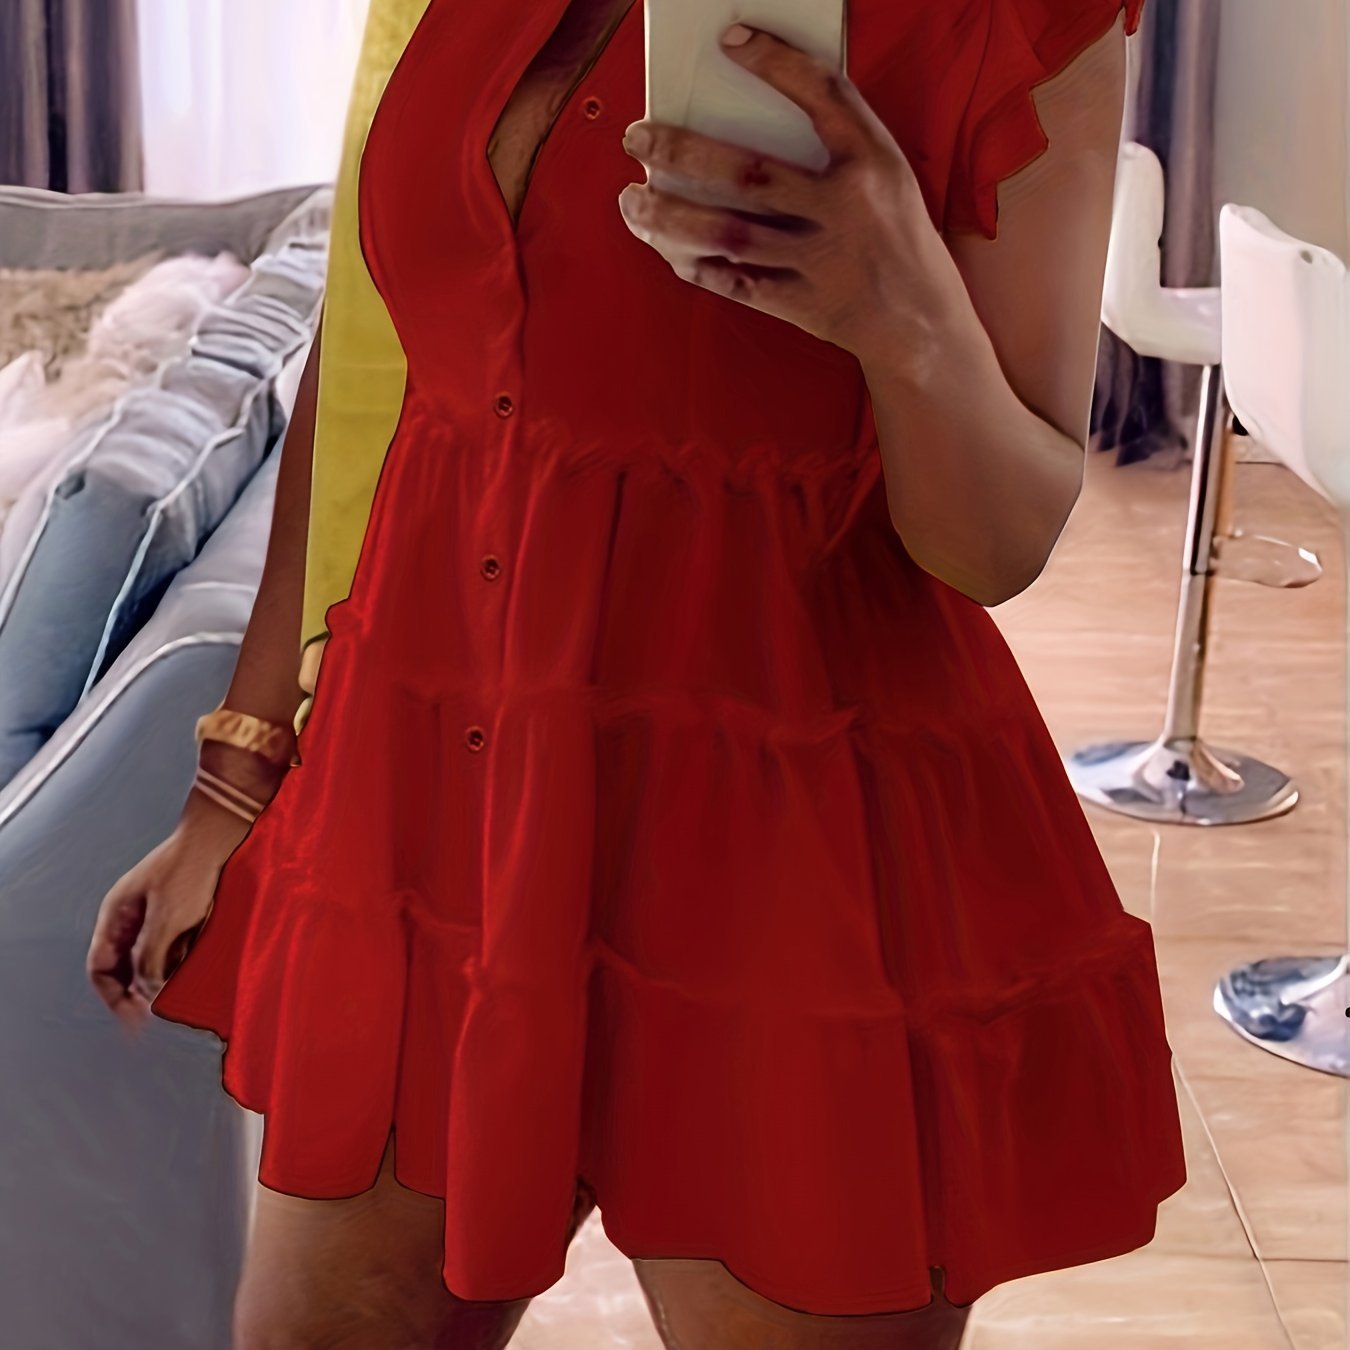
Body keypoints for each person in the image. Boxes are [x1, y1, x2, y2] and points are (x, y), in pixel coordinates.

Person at [88, 1, 1188, 1346]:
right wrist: (239, 768)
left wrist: (899, 314)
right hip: (435, 801)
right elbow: (380, 350)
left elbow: (998, 542)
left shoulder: (1008, 21)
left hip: (785, 841)